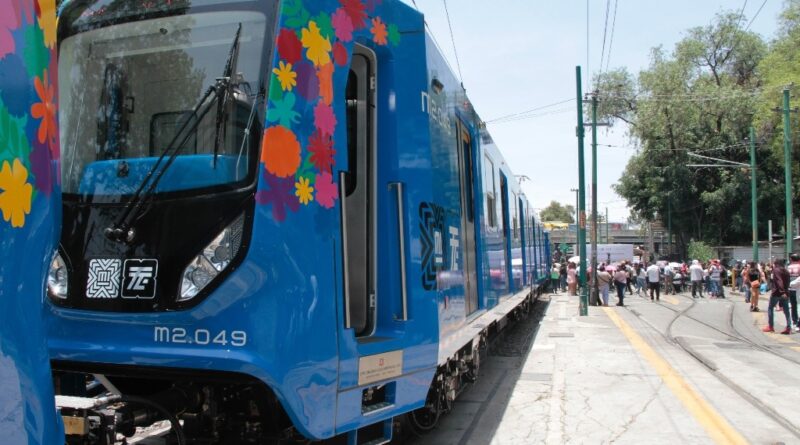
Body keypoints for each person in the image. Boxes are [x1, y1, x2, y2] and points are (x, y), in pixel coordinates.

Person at [763, 259, 792, 334]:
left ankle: (771, 326)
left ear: (776, 264)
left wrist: (782, 291)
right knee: (786, 310)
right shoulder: (786, 271)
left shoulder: (776, 270)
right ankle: (789, 327)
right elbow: (788, 282)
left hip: (777, 292)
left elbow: (779, 281)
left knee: (770, 308)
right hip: (785, 292)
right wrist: (785, 292)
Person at [787, 253, 800, 331]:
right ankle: (798, 321)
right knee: (799, 305)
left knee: (793, 305)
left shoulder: (788, 267)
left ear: (791, 259)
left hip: (790, 288)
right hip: (798, 288)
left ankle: (794, 320)